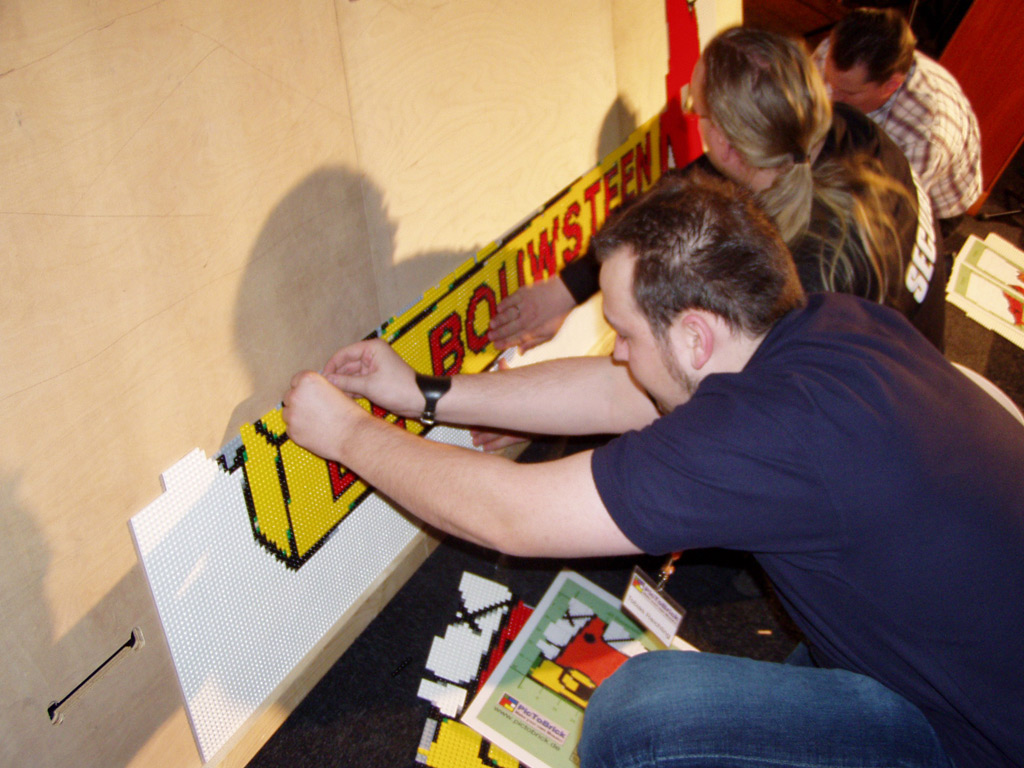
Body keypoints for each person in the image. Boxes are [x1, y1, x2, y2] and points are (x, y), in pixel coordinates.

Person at [282, 172, 1024, 768]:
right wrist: (424, 394)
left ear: (696, 336)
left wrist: (347, 433)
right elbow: (622, 392)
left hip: (979, 740)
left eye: (624, 331)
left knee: (640, 718)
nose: (616, 351)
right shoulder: (828, 322)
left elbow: (511, 515)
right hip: (969, 658)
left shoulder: (765, 438)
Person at [489, 26, 944, 355]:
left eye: (696, 107)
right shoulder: (847, 130)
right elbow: (674, 194)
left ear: (726, 143)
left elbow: (695, 399)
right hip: (920, 364)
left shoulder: (795, 279)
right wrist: (566, 289)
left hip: (877, 414)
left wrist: (525, 406)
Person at [815, 7, 982, 234]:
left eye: (848, 93)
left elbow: (887, 214)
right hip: (856, 149)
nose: (832, 97)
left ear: (891, 85)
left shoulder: (924, 133)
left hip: (925, 202)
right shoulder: (834, 52)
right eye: (830, 81)